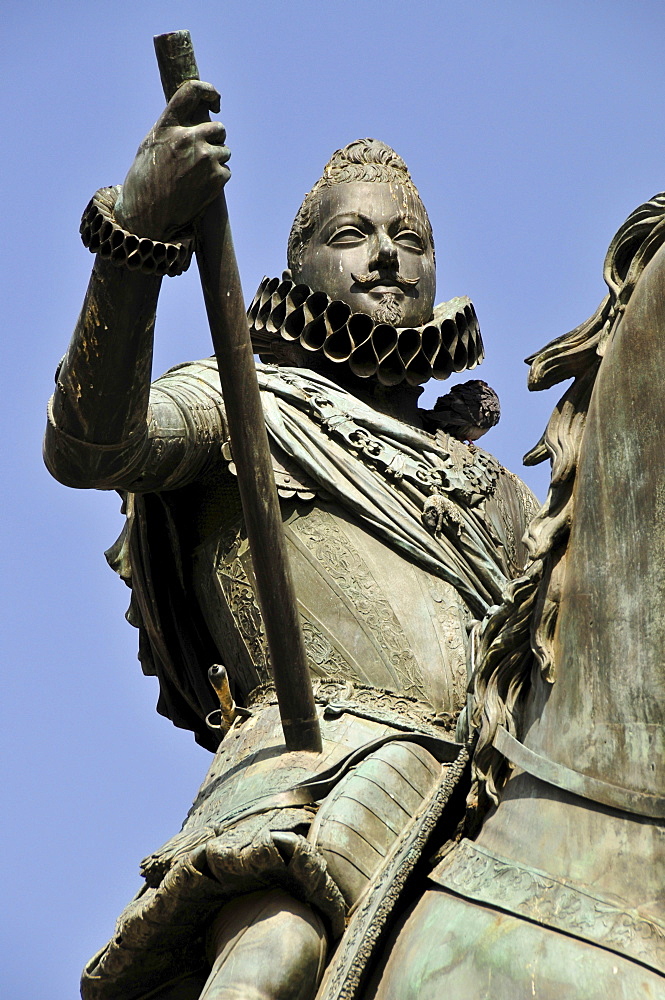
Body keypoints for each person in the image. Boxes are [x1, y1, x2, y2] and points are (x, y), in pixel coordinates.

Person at [45, 80, 538, 1000]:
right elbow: (89, 444)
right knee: (274, 961)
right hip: (317, 785)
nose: (386, 257)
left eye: (410, 239)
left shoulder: (501, 491)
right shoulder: (244, 404)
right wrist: (134, 242)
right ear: (299, 263)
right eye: (351, 237)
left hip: (493, 804)